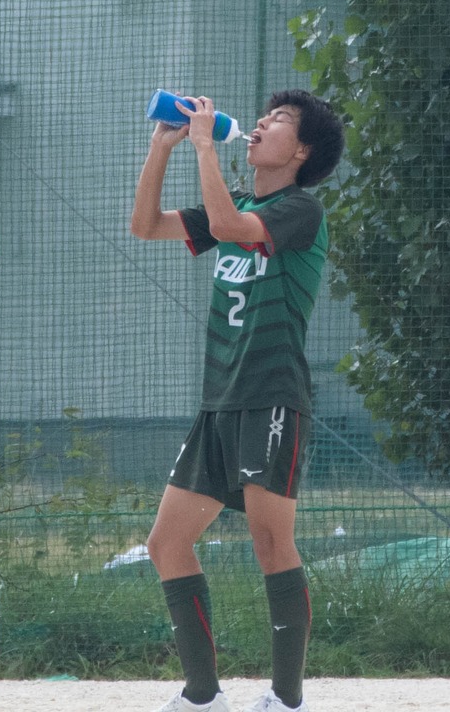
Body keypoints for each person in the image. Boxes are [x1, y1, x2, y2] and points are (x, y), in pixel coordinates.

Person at [129, 90, 345, 712]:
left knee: (271, 542)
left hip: (271, 397)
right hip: (219, 402)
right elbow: (146, 225)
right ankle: (203, 697)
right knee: (166, 543)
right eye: (264, 116)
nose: (260, 124)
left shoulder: (300, 209)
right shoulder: (239, 202)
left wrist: (204, 146)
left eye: (278, 121)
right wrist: (163, 147)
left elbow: (230, 229)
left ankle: (287, 699)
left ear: (301, 151)